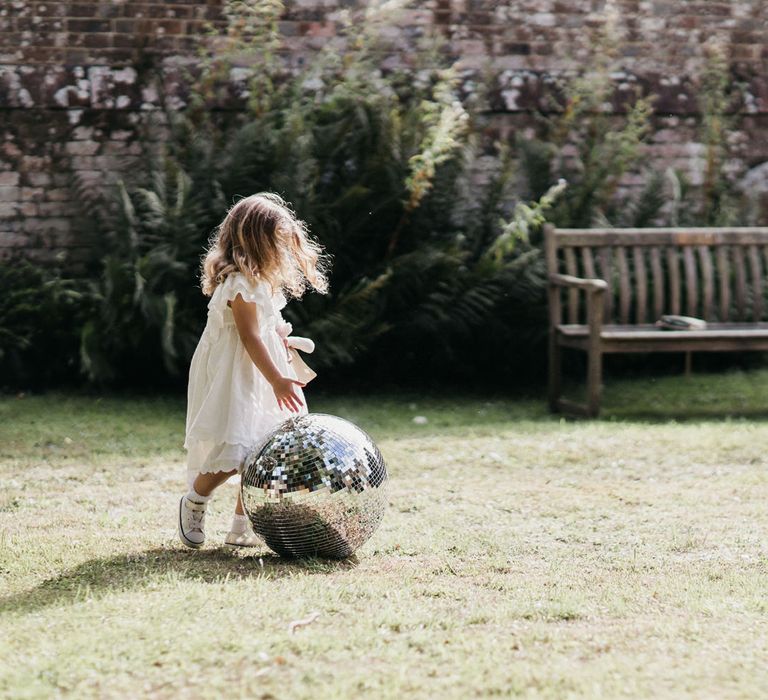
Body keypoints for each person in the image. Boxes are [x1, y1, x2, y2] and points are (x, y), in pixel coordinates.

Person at [178, 192, 328, 549]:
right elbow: (246, 335)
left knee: (266, 448)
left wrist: (283, 345)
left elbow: (264, 327)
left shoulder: (261, 282)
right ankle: (195, 500)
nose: (282, 251)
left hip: (263, 366)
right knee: (237, 452)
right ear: (256, 241)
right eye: (276, 242)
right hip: (239, 373)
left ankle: (243, 524)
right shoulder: (239, 283)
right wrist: (276, 377)